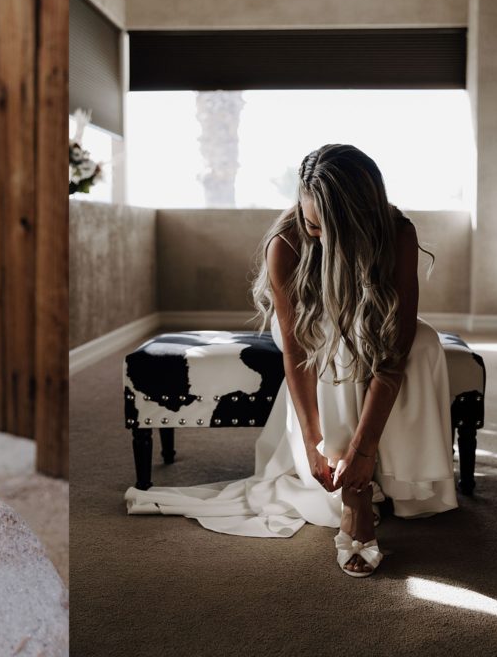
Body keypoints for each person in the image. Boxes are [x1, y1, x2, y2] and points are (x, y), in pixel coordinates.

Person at [125, 144, 457, 578]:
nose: (315, 235)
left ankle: (379, 473)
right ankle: (355, 500)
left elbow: (394, 347)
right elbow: (298, 353)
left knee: (423, 343)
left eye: (327, 229)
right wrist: (313, 439)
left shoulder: (397, 233)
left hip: (369, 324)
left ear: (359, 219)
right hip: (313, 333)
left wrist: (364, 448)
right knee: (341, 344)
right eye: (310, 223)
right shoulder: (286, 243)